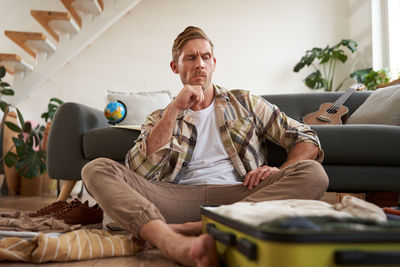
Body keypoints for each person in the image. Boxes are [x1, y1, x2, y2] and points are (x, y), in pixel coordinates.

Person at [82, 26, 329, 267]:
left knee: (313, 174)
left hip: (241, 195)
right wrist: (175, 110)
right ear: (174, 67)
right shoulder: (160, 116)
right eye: (190, 58)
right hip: (174, 199)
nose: (199, 63)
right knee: (96, 169)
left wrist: (279, 169)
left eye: (205, 56)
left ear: (213, 63)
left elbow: (305, 137)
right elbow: (139, 172)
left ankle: (189, 230)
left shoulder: (244, 102)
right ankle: (171, 241)